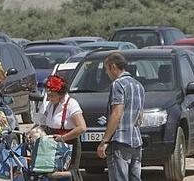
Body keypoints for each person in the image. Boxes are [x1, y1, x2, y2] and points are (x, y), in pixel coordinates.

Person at [97, 52, 145, 181]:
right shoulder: (138, 85)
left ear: (113, 67)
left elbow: (117, 113)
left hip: (120, 141)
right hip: (136, 141)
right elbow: (140, 116)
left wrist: (104, 141)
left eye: (106, 69)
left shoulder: (118, 84)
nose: (106, 73)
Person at [35, 74, 87, 169]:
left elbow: (82, 128)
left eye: (52, 95)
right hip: (52, 145)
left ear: (61, 94)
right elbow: (42, 123)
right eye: (48, 95)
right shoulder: (50, 104)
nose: (49, 98)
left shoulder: (71, 104)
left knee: (67, 174)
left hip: (69, 144)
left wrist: (63, 138)